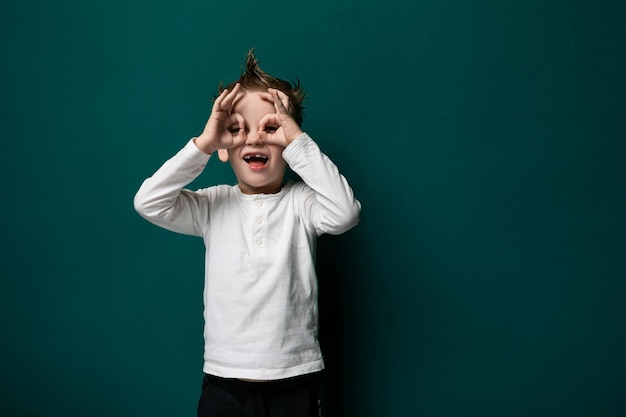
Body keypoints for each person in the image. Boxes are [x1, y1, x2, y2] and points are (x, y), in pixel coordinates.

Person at [134, 49, 361, 417]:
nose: (254, 138)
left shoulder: (302, 204)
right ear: (224, 149)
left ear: (289, 143)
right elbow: (149, 202)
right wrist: (204, 144)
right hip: (226, 379)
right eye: (236, 129)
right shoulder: (212, 206)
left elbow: (346, 213)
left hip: (296, 375)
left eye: (271, 128)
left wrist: (298, 142)